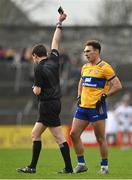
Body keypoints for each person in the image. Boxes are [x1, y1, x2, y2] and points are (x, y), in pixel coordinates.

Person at [16, 11, 73, 174]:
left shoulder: (38, 67)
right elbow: (55, 41)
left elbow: (37, 90)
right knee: (36, 133)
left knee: (58, 137)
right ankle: (34, 167)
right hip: (55, 103)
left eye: (32, 57)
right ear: (45, 53)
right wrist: (59, 23)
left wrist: (33, 88)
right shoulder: (54, 59)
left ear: (35, 56)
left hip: (47, 104)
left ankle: (64, 168)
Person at [70, 40, 122, 174]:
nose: (85, 53)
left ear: (97, 51)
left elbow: (117, 85)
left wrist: (105, 95)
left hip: (96, 107)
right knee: (74, 134)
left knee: (100, 138)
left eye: (88, 51)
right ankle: (81, 164)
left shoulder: (105, 67)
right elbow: (81, 81)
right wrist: (79, 96)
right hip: (83, 107)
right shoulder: (85, 67)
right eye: (84, 51)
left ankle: (104, 167)